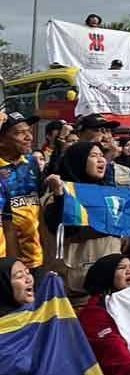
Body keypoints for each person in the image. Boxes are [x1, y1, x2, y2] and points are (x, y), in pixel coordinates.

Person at [41, 141, 130, 307]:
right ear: (78, 161)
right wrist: (60, 198)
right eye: (93, 156)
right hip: (75, 295)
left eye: (101, 156)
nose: (101, 160)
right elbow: (65, 231)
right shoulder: (56, 197)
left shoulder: (112, 197)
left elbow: (120, 229)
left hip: (111, 291)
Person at [0, 111, 56, 269]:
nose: (29, 137)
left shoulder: (31, 163)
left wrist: (47, 254)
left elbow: (38, 211)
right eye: (19, 133)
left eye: (28, 132)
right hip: (6, 264)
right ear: (1, 140)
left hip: (35, 259)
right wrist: (13, 264)